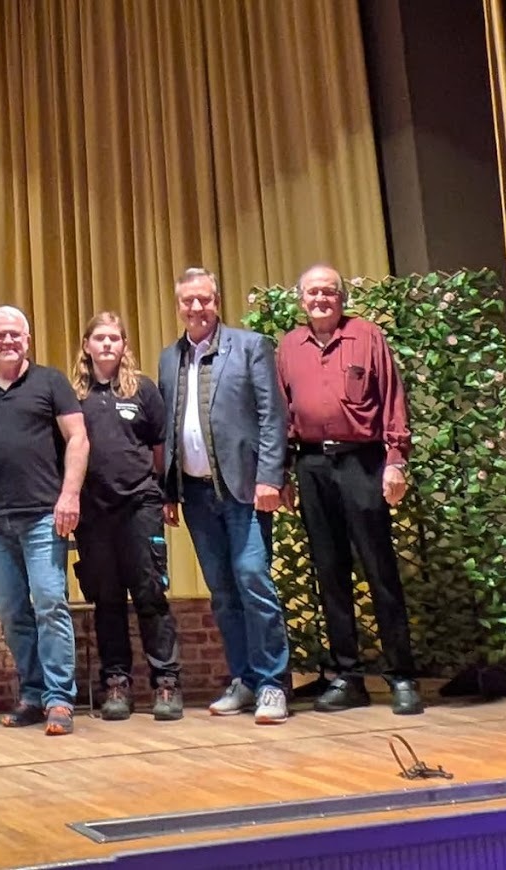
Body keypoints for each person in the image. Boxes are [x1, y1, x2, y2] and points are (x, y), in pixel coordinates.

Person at [278, 264, 422, 715]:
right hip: (312, 463)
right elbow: (282, 411)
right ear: (301, 300)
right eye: (312, 293)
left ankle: (401, 676)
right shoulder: (289, 347)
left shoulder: (366, 336)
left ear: (341, 298)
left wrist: (395, 460)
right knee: (330, 572)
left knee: (380, 570)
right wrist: (283, 471)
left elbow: (393, 398)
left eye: (328, 292)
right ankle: (348, 676)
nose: (320, 299)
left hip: (362, 461)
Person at [158, 267, 293, 725]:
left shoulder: (250, 346)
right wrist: (169, 490)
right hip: (196, 495)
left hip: (245, 491)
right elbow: (170, 430)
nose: (196, 308)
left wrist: (270, 478)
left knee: (253, 579)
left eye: (204, 299)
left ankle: (273, 682)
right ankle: (245, 679)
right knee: (222, 593)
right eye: (188, 301)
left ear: (217, 300)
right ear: (177, 305)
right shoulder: (169, 358)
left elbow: (272, 417)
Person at [0, 306, 88, 736]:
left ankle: (59, 699)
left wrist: (69, 495)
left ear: (28, 339)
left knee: (50, 603)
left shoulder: (51, 382)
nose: (9, 341)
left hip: (43, 518)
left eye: (16, 335)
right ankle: (32, 695)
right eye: (0, 336)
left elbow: (78, 439)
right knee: (12, 612)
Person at [71, 313, 184, 721]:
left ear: (124, 345)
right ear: (86, 345)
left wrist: (155, 493)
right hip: (93, 513)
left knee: (151, 594)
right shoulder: (75, 397)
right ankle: (116, 682)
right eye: (98, 338)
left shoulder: (145, 391)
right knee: (107, 600)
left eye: (114, 338)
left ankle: (166, 683)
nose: (106, 345)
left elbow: (159, 448)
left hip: (140, 506)